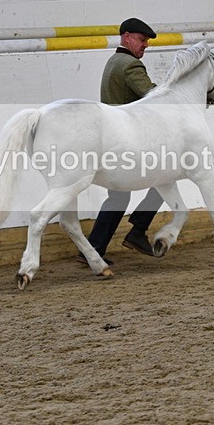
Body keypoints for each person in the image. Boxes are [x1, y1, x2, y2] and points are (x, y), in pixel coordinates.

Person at [78, 17, 165, 266]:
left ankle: (93, 249)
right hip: (128, 143)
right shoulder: (130, 65)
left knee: (118, 198)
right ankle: (137, 230)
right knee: (166, 178)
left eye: (146, 40)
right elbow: (153, 96)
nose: (145, 45)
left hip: (111, 141)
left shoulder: (113, 61)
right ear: (126, 37)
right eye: (141, 39)